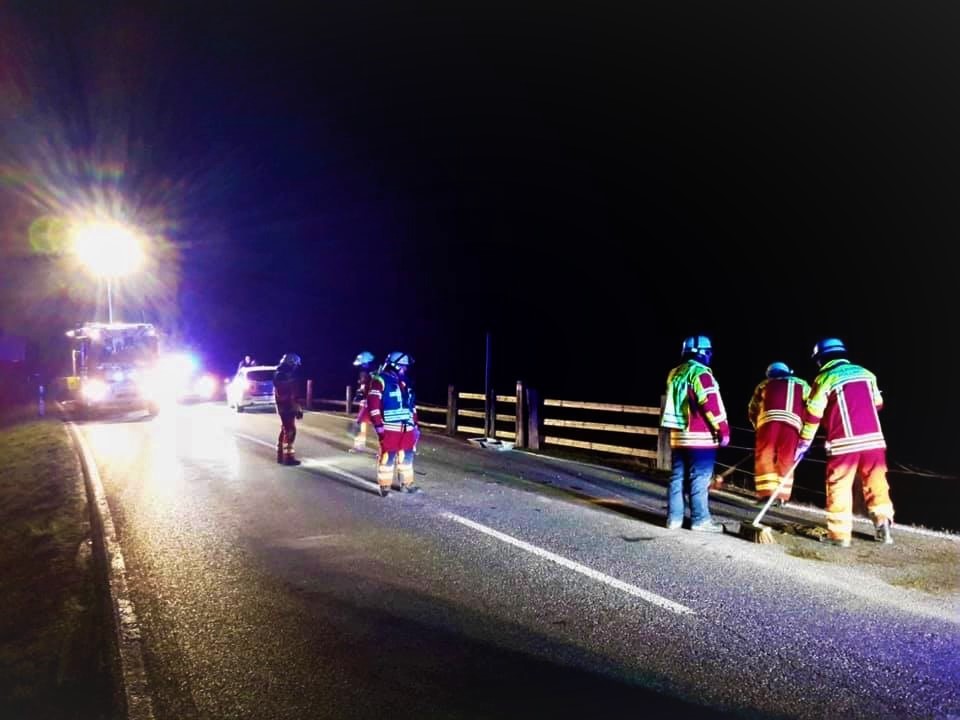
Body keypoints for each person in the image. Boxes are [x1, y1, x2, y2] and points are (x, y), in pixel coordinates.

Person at [797, 338, 895, 547]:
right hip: (873, 441)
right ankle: (883, 527)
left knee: (839, 485)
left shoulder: (824, 378)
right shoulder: (867, 374)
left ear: (820, 359)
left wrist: (804, 442)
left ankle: (839, 535)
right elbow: (878, 403)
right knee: (877, 483)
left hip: (843, 443)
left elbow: (813, 415)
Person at [659, 335, 730, 532]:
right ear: (702, 353)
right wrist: (723, 429)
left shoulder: (674, 373)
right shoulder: (701, 374)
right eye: (709, 353)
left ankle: (674, 519)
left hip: (678, 435)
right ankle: (700, 520)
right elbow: (710, 403)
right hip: (700, 437)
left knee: (677, 477)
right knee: (699, 478)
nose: (710, 356)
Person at [747, 361, 810, 506]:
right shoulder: (803, 385)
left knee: (764, 456)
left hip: (768, 423)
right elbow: (811, 406)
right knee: (786, 458)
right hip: (792, 426)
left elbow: (752, 409)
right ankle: (781, 496)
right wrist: (806, 432)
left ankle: (767, 494)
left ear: (770, 374)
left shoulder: (763, 385)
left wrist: (757, 427)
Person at [366, 351, 421, 497]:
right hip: (390, 428)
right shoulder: (380, 380)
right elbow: (373, 405)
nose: (405, 369)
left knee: (407, 456)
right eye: (403, 366)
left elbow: (411, 405)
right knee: (387, 457)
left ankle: (407, 484)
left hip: (407, 428)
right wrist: (379, 427)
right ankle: (385, 486)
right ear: (395, 365)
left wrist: (415, 425)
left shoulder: (405, 382)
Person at [273, 353, 304, 466]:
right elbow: (291, 395)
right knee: (290, 430)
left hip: (282, 406)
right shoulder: (287, 377)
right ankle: (288, 458)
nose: (296, 367)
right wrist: (297, 408)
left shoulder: (278, 374)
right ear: (291, 363)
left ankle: (281, 455)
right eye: (295, 364)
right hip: (287, 407)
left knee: (285, 429)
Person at [349, 351, 376, 452]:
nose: (361, 366)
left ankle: (359, 445)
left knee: (362, 423)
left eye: (362, 364)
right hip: (369, 401)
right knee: (364, 423)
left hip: (369, 401)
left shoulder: (369, 374)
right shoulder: (374, 373)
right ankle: (359, 445)